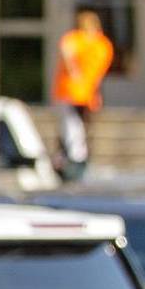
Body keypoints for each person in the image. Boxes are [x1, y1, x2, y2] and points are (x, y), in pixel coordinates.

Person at [51, 10, 114, 181]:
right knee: (76, 127)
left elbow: (67, 52)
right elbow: (98, 74)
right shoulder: (101, 44)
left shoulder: (80, 40)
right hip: (80, 92)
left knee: (73, 127)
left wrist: (74, 71)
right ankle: (74, 159)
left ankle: (75, 160)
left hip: (73, 91)